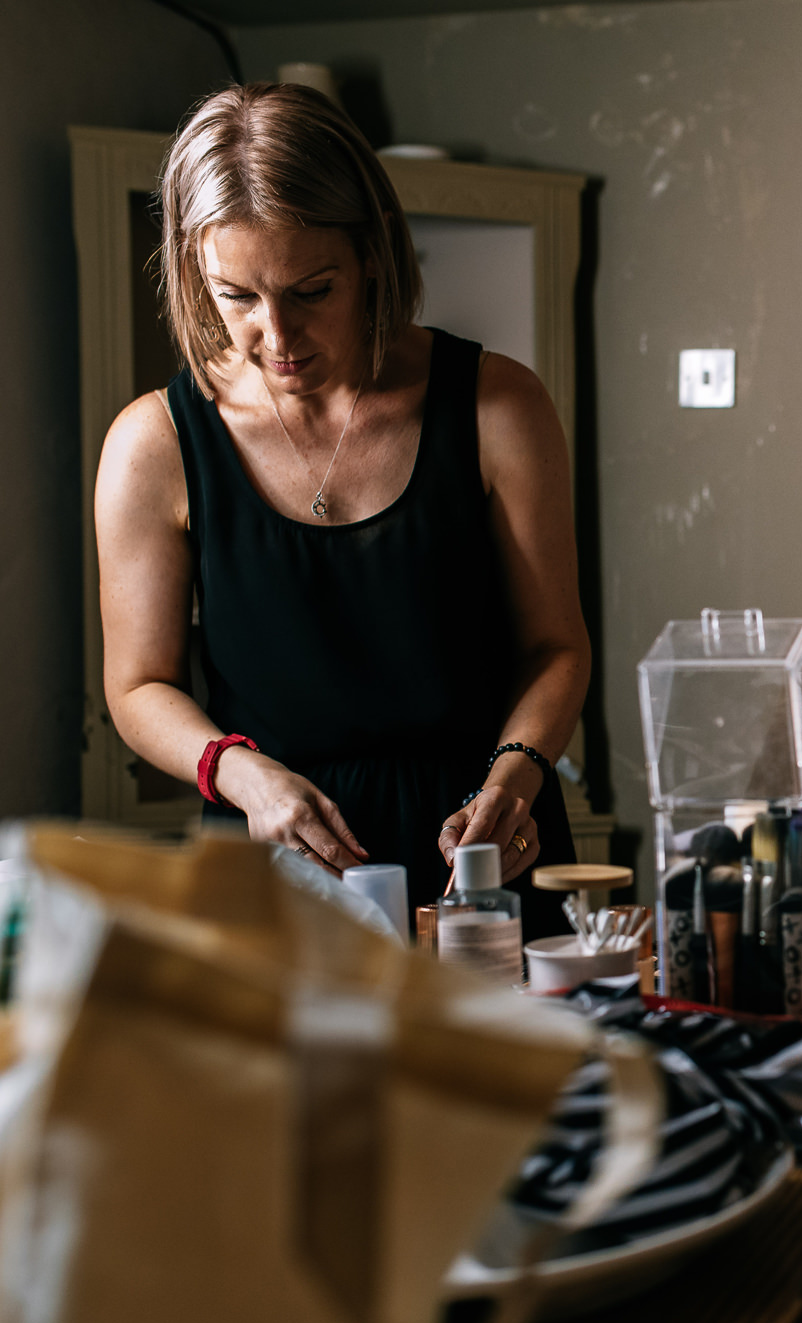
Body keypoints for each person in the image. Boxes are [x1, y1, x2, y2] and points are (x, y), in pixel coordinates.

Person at [94, 83, 587, 930]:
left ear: (371, 256)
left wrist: (516, 780)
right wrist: (243, 775)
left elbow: (556, 648)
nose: (277, 339)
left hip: (480, 852)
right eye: (238, 297)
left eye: (311, 289)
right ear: (192, 273)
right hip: (275, 858)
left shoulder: (498, 407)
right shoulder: (155, 444)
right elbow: (139, 685)